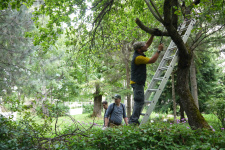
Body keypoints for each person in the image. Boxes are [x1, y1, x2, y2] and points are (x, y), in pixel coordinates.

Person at [128, 35, 164, 125]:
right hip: (137, 82)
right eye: (143, 46)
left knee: (139, 101)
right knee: (139, 101)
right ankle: (133, 121)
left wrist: (153, 35)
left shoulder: (139, 52)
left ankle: (133, 120)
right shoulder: (138, 58)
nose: (146, 46)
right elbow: (152, 60)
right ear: (139, 49)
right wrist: (158, 50)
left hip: (137, 82)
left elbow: (147, 44)